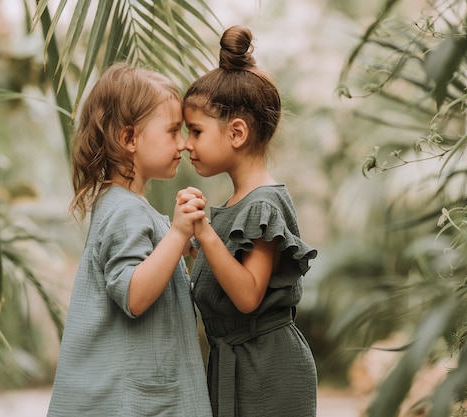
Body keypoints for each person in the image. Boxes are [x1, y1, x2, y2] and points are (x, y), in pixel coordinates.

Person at [46, 63, 213, 417]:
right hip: (135, 403)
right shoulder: (125, 210)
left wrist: (175, 244)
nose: (182, 144)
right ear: (129, 139)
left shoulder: (127, 205)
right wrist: (180, 233)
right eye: (172, 131)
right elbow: (134, 294)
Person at [182, 25, 318, 417]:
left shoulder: (263, 207)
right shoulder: (236, 205)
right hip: (236, 367)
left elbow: (247, 295)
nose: (187, 144)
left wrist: (206, 235)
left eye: (196, 131)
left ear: (237, 132)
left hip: (268, 373)